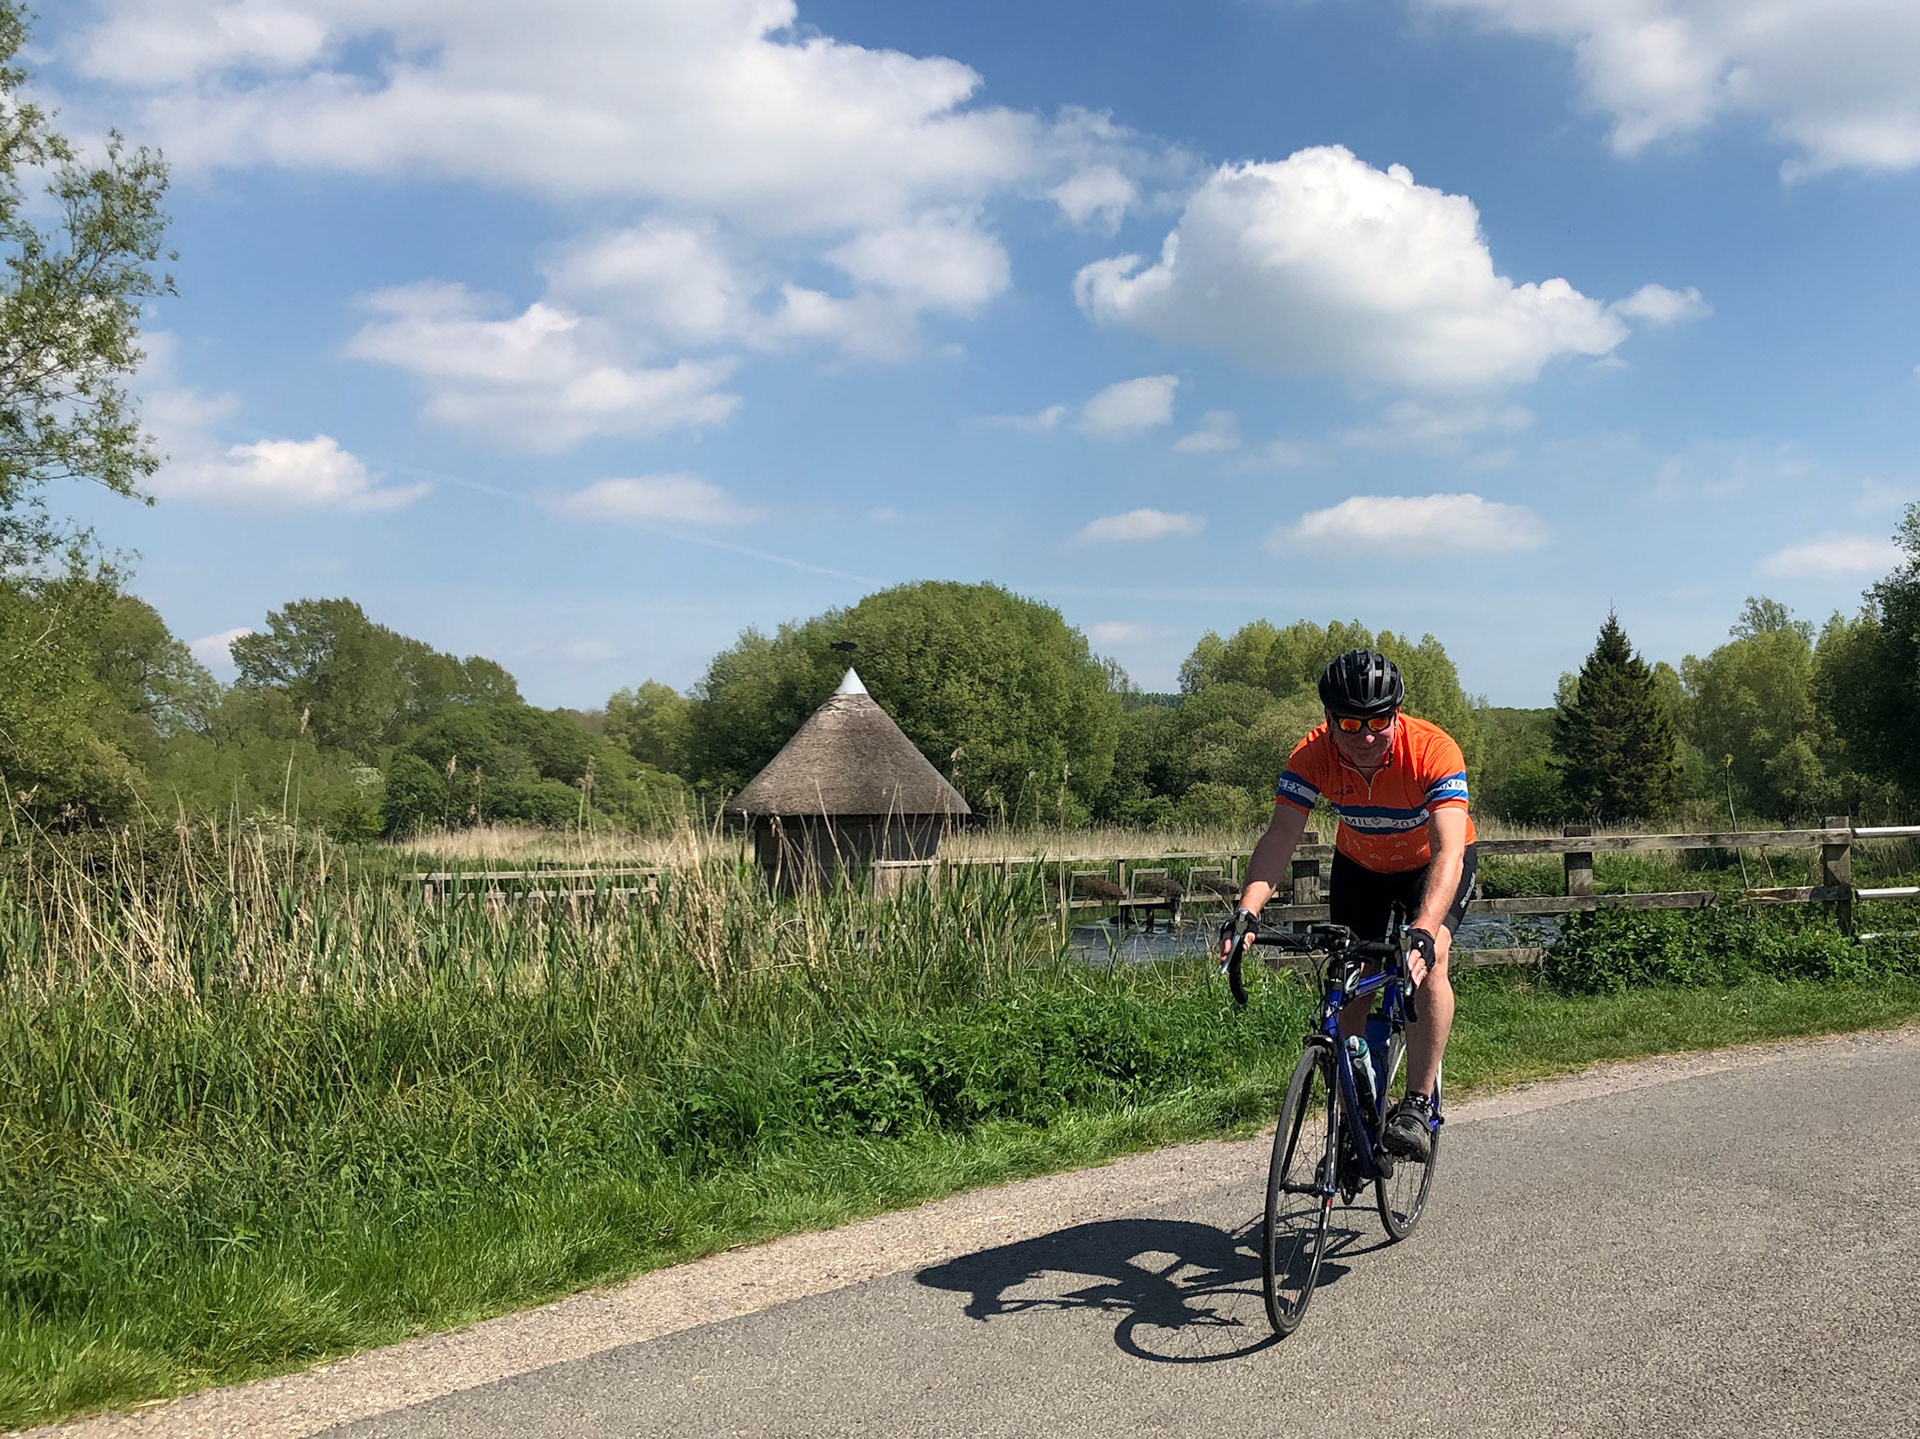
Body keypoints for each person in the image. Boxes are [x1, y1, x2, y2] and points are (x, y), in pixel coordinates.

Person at [1219, 649, 1476, 1161]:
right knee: (1350, 976)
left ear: (1396, 714)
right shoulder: (1311, 755)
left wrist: (1425, 929)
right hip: (1361, 863)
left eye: (1379, 720)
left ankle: (1419, 1105)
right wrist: (1247, 911)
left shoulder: (1432, 751)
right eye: (1350, 722)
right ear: (1329, 719)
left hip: (1433, 864)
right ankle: (1357, 1111)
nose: (1366, 735)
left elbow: (1449, 850)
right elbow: (1279, 839)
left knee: (1430, 960)